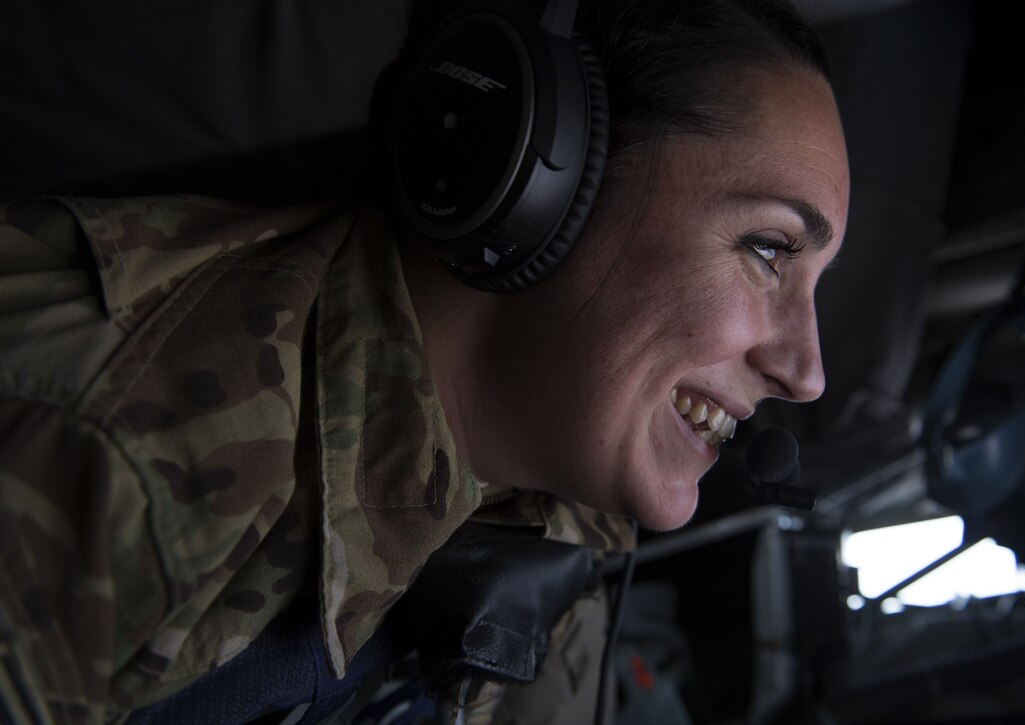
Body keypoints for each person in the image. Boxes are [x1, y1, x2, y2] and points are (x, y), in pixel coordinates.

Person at [0, 0, 848, 722]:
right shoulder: (105, 449)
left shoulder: (553, 522)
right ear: (532, 178)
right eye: (769, 248)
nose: (804, 371)